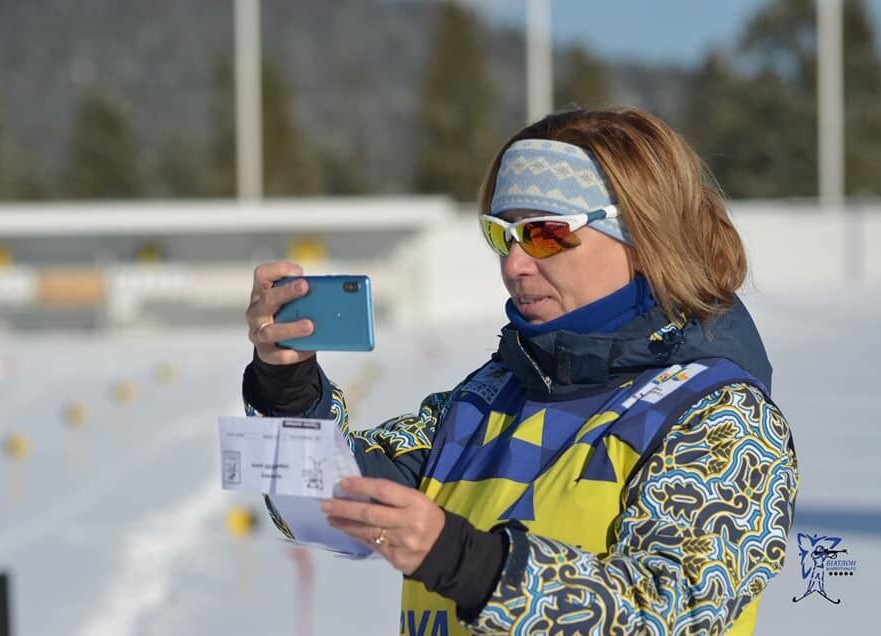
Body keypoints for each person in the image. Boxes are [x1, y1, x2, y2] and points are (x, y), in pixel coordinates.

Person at [243, 107, 799, 636]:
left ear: (645, 237)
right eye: (501, 234)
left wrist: (466, 563)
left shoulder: (721, 417)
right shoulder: (489, 394)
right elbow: (320, 510)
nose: (514, 264)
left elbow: (665, 613)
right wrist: (286, 385)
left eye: (546, 233)